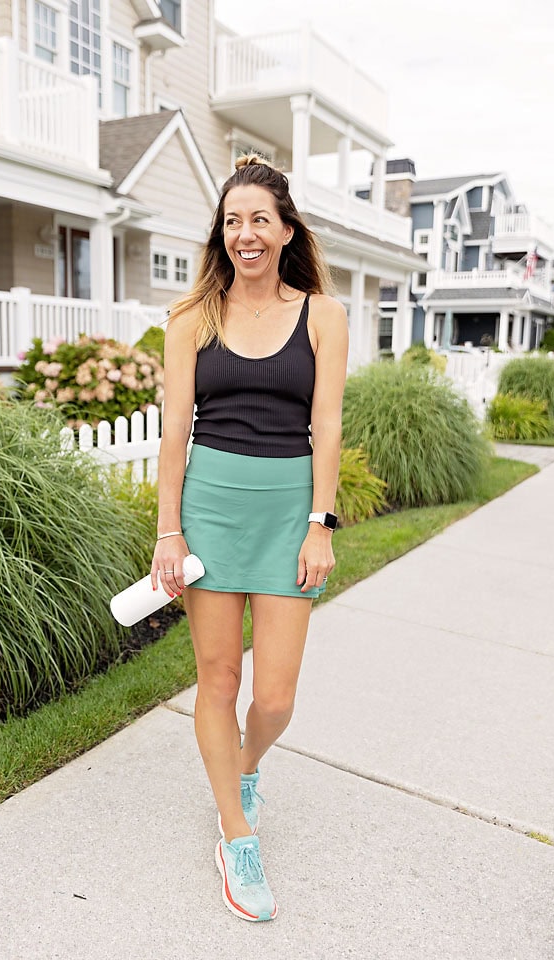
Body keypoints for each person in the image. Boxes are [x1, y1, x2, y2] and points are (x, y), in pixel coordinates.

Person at [151, 155, 348, 921]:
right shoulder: (190, 317)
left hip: (287, 512)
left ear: (286, 228)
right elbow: (175, 434)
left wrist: (320, 525)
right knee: (220, 680)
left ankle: (243, 766)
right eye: (232, 221)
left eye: (259, 218)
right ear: (221, 234)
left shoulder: (323, 316)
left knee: (273, 697)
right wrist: (169, 531)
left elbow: (325, 425)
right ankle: (235, 833)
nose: (245, 234)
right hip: (211, 509)